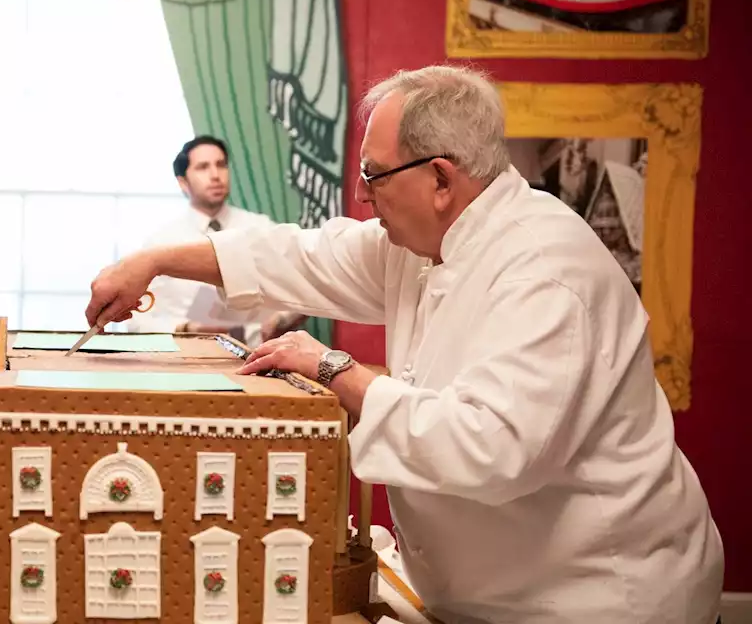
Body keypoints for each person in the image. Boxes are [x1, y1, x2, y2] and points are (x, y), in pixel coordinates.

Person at [84, 65, 723, 623]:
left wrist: (335, 368)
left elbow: (488, 447)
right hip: (479, 594)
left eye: (375, 175)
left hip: (596, 599)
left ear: (440, 179)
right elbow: (304, 255)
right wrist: (157, 260)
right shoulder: (423, 239)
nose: (363, 195)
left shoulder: (545, 269)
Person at [125, 135, 304, 344]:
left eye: (221, 165)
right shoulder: (161, 244)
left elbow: (304, 283)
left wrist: (282, 319)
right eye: (202, 167)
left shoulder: (261, 229)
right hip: (187, 361)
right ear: (183, 182)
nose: (215, 175)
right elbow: (137, 320)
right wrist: (187, 328)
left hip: (259, 358)